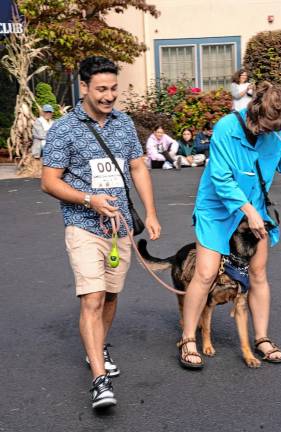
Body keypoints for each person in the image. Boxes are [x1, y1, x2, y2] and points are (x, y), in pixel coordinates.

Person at [41, 56, 161, 408]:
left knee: (110, 295)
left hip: (119, 227)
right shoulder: (64, 129)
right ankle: (99, 378)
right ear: (84, 88)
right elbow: (49, 181)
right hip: (83, 226)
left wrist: (151, 213)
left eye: (113, 89)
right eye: (101, 90)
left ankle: (98, 346)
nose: (109, 96)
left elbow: (138, 167)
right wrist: (88, 199)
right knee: (92, 297)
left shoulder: (124, 123)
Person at [177, 82, 281, 369]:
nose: (267, 132)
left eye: (273, 128)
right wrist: (248, 211)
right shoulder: (227, 128)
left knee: (258, 273)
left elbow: (279, 159)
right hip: (217, 207)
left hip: (253, 207)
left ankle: (262, 337)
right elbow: (222, 178)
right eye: (264, 126)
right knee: (205, 272)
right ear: (253, 112)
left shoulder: (275, 131)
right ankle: (188, 338)